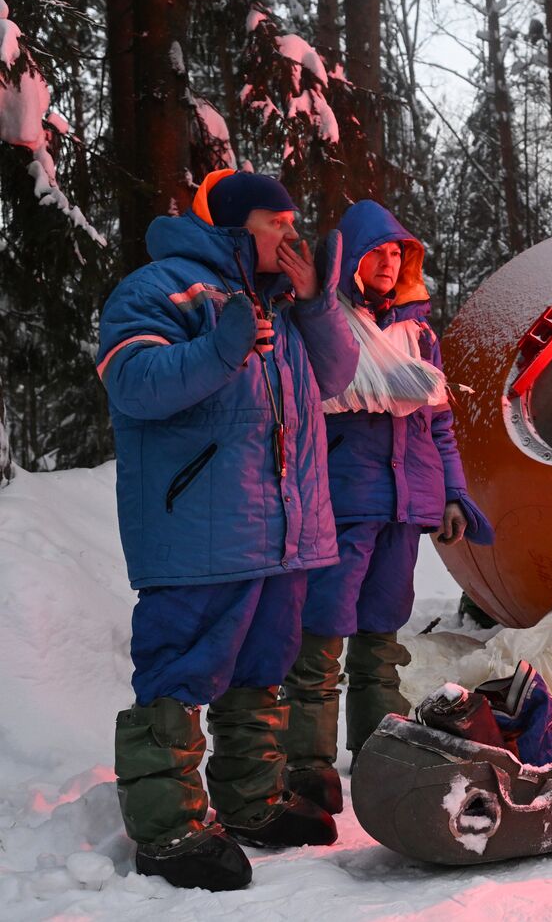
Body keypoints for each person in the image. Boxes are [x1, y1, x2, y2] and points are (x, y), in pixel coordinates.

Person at [97, 169, 360, 891]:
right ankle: (168, 826)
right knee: (180, 667)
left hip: (280, 529)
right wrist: (221, 348)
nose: (292, 233)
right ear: (239, 226)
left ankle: (251, 800)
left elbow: (337, 376)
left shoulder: (284, 302)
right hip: (198, 529)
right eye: (278, 221)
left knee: (262, 666)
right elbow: (133, 382)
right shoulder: (163, 288)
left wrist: (317, 303)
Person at [281, 200, 493, 816]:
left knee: (381, 636)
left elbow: (440, 425)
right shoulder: (322, 323)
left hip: (405, 505)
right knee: (321, 637)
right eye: (376, 250)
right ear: (348, 260)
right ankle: (309, 764)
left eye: (398, 251)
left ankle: (377, 751)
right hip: (342, 503)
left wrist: (452, 492)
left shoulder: (419, 335)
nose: (389, 260)